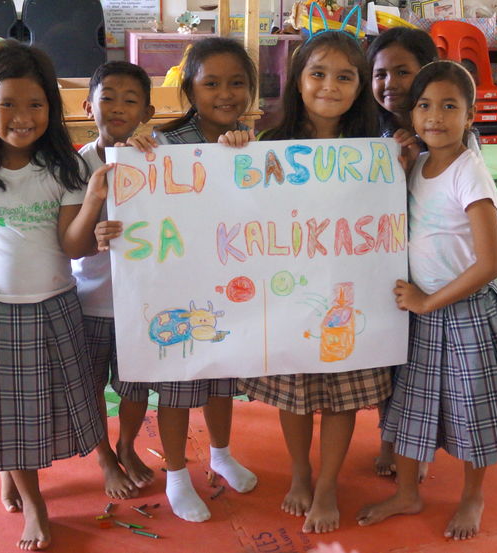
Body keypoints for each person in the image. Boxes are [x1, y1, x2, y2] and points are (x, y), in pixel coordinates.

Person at [0, 39, 108, 550]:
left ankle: (14, 475)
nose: (21, 116)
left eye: (35, 104)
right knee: (9, 415)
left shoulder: (64, 168)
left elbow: (71, 245)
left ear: (51, 110)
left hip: (55, 307)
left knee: (37, 411)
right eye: (6, 103)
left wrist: (94, 200)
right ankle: (35, 502)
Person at [356, 61, 497, 540]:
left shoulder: (469, 172)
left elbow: (491, 264)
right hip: (420, 311)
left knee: (473, 410)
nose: (435, 116)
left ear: (471, 115)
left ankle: (472, 495)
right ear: (412, 114)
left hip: (463, 313)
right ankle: (408, 492)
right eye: (424, 106)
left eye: (449, 106)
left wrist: (429, 301)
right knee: (409, 406)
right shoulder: (418, 163)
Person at [235, 30, 392, 535]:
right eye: (318, 73)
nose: (330, 86)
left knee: (343, 394)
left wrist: (401, 167)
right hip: (289, 295)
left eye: (345, 76)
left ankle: (327, 484)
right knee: (294, 390)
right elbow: (242, 209)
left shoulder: (378, 151)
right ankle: (301, 471)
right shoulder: (270, 147)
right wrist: (231, 154)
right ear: (298, 81)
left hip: (351, 295)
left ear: (360, 85)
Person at [99, 36, 259, 523]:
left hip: (231, 286)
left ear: (252, 89)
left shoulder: (254, 142)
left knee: (221, 377)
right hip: (173, 288)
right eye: (211, 83)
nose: (225, 94)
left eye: (237, 83)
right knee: (177, 384)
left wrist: (244, 154)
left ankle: (222, 453)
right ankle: (175, 473)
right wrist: (139, 149)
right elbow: (135, 191)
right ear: (190, 90)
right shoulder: (162, 144)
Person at [72, 61, 156, 500]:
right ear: (89, 106)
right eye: (108, 97)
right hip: (87, 301)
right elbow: (65, 238)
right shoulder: (74, 165)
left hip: (137, 303)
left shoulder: (157, 160)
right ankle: (105, 457)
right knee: (87, 389)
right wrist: (94, 231)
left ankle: (127, 443)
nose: (118, 107)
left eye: (130, 100)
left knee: (135, 384)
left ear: (147, 110)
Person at [366, 27, 438, 478]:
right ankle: (389, 437)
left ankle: (416, 447)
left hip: (428, 273)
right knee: (385, 357)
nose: (390, 82)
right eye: (379, 73)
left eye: (403, 71)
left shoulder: (445, 133)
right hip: (378, 268)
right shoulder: (366, 133)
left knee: (422, 365)